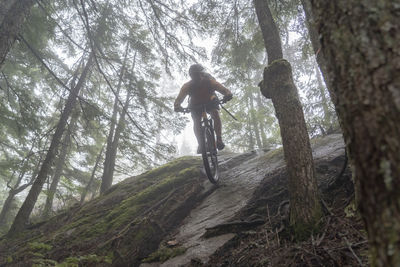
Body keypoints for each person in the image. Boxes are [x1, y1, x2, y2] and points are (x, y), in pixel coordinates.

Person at [174, 64, 233, 153]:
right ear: (191, 76)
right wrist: (177, 106)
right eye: (194, 75)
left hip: (210, 101)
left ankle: (219, 139)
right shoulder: (187, 86)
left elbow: (224, 90)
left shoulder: (210, 82)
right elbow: (179, 99)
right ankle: (201, 144)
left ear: (202, 74)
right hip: (195, 105)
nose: (197, 77)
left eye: (198, 74)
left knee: (215, 114)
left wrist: (228, 94)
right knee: (196, 121)